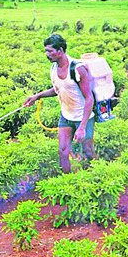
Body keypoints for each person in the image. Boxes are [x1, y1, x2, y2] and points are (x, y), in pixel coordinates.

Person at [24, 34, 97, 173]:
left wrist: (82, 127)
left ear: (61, 50)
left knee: (88, 152)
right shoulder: (53, 68)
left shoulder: (78, 69)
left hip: (83, 118)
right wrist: (37, 96)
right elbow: (59, 89)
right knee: (62, 152)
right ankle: (67, 183)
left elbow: (89, 98)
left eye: (50, 51)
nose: (47, 54)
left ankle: (99, 176)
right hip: (66, 117)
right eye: (46, 50)